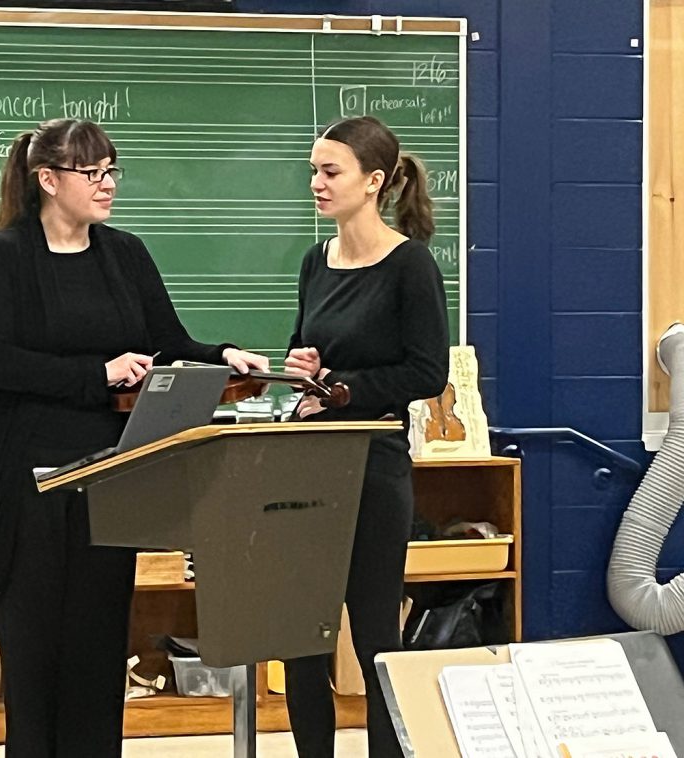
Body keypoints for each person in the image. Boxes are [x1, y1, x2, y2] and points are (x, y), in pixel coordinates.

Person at [0, 118, 268, 758]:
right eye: (91, 173)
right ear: (48, 180)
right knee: (36, 647)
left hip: (110, 476)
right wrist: (94, 374)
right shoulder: (5, 255)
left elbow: (172, 343)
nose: (106, 185)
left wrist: (225, 354)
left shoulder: (125, 254)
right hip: (30, 485)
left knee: (99, 645)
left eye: (111, 172)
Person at [282, 115, 450, 758]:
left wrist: (348, 390)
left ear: (373, 182)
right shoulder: (314, 260)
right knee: (302, 634)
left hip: (372, 463)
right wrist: (301, 363)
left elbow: (426, 370)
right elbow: (307, 344)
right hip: (306, 463)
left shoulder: (410, 265)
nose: (317, 185)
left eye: (330, 172)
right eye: (313, 173)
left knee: (376, 631)